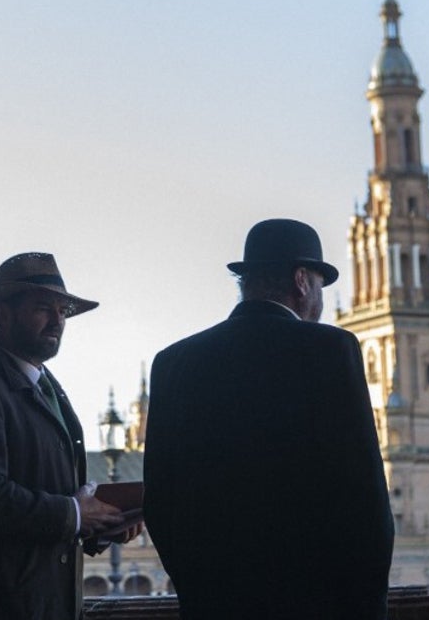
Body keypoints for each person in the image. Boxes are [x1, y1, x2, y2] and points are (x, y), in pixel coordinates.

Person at [144, 219, 394, 620]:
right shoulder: (329, 349)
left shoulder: (174, 362)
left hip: (215, 603)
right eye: (319, 285)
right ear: (301, 281)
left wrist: (199, 590)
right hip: (315, 604)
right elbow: (362, 494)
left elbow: (159, 500)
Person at [0, 252, 131, 620]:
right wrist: (73, 514)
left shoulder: (49, 389)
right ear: (4, 314)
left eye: (62, 311)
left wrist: (99, 524)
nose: (57, 320)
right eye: (44, 308)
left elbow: (51, 502)